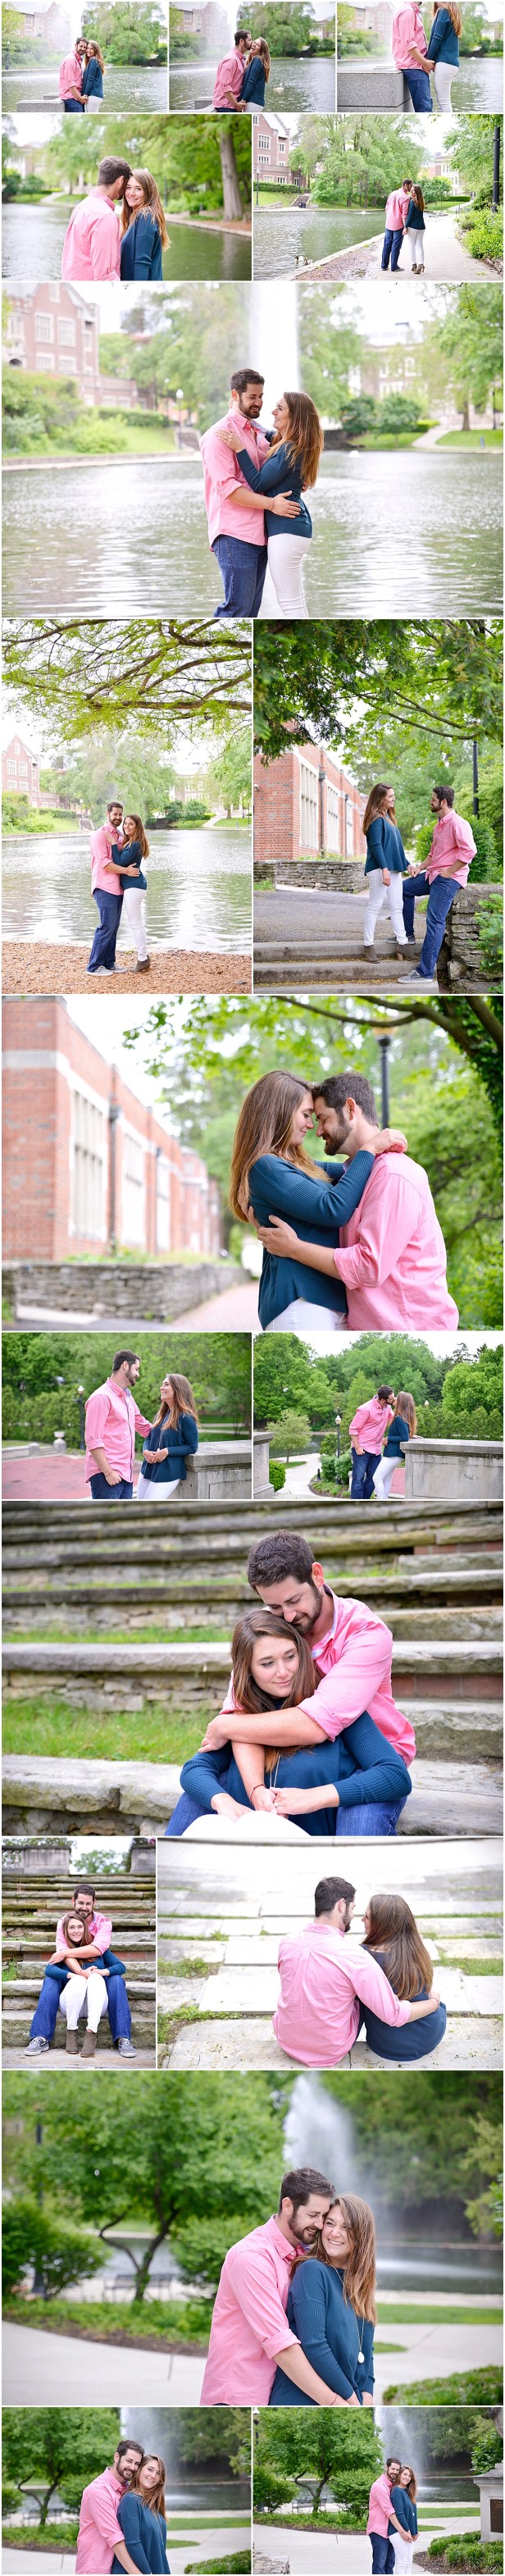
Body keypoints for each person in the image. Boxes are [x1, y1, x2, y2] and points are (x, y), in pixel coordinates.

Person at [166, 1601, 413, 1837]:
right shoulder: (243, 1719)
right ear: (248, 1670)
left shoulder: (332, 1708)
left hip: (315, 1848)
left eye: (290, 1656)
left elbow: (395, 1775)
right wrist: (224, 1802)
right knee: (199, 1795)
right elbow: (195, 1769)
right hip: (250, 1846)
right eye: (267, 1663)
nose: (283, 1672)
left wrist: (313, 1797)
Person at [254, 1069, 459, 1330]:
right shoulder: (356, 1174)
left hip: (407, 1327)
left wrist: (293, 1247)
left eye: (321, 1119)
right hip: (371, 1327)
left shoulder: (393, 1174)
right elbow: (309, 1179)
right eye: (308, 1117)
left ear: (350, 1109)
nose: (317, 1131)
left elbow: (367, 1265)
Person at [230, 1068, 407, 1334]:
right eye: (305, 1115)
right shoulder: (266, 1167)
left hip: (327, 1301)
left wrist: (373, 1152)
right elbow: (334, 1209)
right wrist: (370, 1147)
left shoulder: (295, 1164)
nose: (311, 1125)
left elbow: (349, 1174)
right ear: (279, 1112)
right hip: (299, 1301)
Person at [200, 2163, 362, 2404]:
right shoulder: (252, 2258)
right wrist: (336, 2402)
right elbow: (281, 2345)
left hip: (274, 2393)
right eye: (313, 2215)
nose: (320, 2225)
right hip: (238, 2394)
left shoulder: (301, 2253)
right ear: (288, 2206)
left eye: (323, 2216)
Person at [274, 1874, 442, 2068]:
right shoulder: (356, 1958)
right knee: (359, 1991)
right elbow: (394, 2015)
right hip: (330, 2050)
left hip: (286, 2039)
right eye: (353, 1908)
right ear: (341, 1905)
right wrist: (435, 2001)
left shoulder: (287, 1942)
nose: (355, 1917)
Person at [200, 367, 302, 622]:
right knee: (236, 610)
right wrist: (272, 505)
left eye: (261, 396)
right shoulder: (218, 436)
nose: (259, 403)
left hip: (261, 534)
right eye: (252, 397)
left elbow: (283, 454)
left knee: (250, 615)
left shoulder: (257, 431)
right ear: (235, 395)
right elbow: (228, 490)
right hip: (234, 534)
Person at [220, 390, 324, 618]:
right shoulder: (287, 442)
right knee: (295, 601)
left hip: (286, 532)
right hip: (293, 530)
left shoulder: (289, 449)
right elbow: (263, 432)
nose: (272, 411)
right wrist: (234, 410)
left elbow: (257, 483)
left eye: (280, 408)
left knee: (290, 602)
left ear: (294, 417)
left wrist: (239, 449)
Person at [269, 2193, 376, 2405]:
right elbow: (315, 2344)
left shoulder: (359, 2284)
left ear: (361, 2235)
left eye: (346, 2227)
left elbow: (366, 2350)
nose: (335, 2233)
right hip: (304, 2403)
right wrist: (351, 2398)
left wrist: (368, 2392)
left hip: (347, 2401)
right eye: (330, 2223)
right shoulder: (312, 2271)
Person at [26, 1881, 135, 2059]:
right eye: (80, 1903)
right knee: (51, 1980)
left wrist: (102, 1972)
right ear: (73, 1902)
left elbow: (98, 1951)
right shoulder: (63, 1922)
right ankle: (41, 2036)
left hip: (97, 1992)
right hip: (72, 1993)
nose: (84, 1908)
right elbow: (56, 1961)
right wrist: (77, 1973)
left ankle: (123, 2038)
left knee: (116, 1980)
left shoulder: (104, 1924)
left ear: (94, 1903)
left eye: (88, 1903)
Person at [399, 785, 476, 990]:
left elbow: (469, 852)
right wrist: (419, 868)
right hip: (433, 874)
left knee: (435, 921)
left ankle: (425, 972)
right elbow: (434, 854)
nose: (430, 802)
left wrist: (450, 872)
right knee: (403, 889)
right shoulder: (439, 825)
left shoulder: (458, 824)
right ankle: (408, 935)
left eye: (433, 799)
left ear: (443, 802)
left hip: (448, 878)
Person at [362, 1893, 447, 2060]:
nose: (362, 1920)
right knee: (436, 1998)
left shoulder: (363, 1956)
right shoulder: (416, 1949)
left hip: (387, 2043)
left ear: (381, 1925)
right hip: (429, 2034)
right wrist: (435, 2002)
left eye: (367, 1916)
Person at [85, 1351, 152, 1501]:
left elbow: (142, 1425)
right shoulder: (101, 1397)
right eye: (137, 1369)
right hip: (106, 1476)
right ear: (125, 1365)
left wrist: (172, 1433)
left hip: (126, 1475)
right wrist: (108, 1473)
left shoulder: (127, 1396)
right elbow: (93, 1441)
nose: (138, 1374)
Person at [48, 1911, 111, 2058]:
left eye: (79, 1927)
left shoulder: (96, 1948)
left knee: (95, 1978)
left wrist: (103, 1972)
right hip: (71, 2004)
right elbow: (49, 1969)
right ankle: (71, 2032)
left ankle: (91, 2033)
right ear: (66, 1931)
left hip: (95, 2006)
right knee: (78, 1980)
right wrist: (74, 1975)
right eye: (71, 1928)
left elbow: (121, 1967)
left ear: (85, 1928)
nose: (76, 1931)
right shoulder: (63, 1952)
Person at [77, 2440, 145, 2574]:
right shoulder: (98, 2491)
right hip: (97, 2569)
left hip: (117, 2568)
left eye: (137, 2464)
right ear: (117, 2457)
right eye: (129, 2461)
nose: (132, 2467)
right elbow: (115, 2538)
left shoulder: (127, 2491)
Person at [61, 156, 131, 282]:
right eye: (127, 184)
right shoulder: (105, 216)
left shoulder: (81, 207)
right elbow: (105, 278)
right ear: (120, 181)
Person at [136, 1370, 198, 1502]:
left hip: (168, 1472)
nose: (161, 1387)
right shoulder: (163, 1413)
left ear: (178, 1390)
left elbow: (192, 1447)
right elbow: (149, 1437)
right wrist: (145, 1451)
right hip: (148, 1469)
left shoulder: (186, 1417)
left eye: (166, 1385)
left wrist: (166, 1451)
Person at [362, 784, 409, 952]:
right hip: (379, 869)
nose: (393, 798)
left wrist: (408, 864)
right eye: (390, 796)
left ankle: (403, 945)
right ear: (381, 798)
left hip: (393, 870)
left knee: (398, 907)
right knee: (375, 906)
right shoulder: (376, 819)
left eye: (393, 795)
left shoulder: (390, 819)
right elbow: (376, 846)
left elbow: (395, 848)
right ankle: (368, 945)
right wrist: (384, 869)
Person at [104, 809, 151, 970]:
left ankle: (143, 959)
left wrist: (111, 842)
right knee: (137, 923)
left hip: (134, 887)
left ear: (137, 827)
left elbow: (119, 861)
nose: (126, 826)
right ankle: (143, 956)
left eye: (131, 824)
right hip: (134, 886)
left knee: (136, 924)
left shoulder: (136, 843)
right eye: (125, 823)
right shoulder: (130, 842)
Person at [111, 2455, 170, 2574]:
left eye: (158, 2473)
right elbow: (133, 2544)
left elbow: (159, 2547)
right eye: (150, 2469)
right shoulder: (130, 2500)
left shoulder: (153, 2503)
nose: (153, 2476)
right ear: (139, 2469)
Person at [88, 799, 125, 974]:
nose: (117, 817)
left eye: (120, 814)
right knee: (106, 926)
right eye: (115, 814)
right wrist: (126, 871)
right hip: (104, 887)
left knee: (114, 927)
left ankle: (109, 963)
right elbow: (104, 863)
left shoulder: (119, 836)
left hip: (118, 888)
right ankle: (94, 966)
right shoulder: (99, 835)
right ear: (108, 814)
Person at [349, 1384, 395, 1501]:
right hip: (362, 1449)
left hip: (376, 1450)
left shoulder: (388, 1408)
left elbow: (395, 1421)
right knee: (358, 1480)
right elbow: (353, 1429)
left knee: (374, 1478)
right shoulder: (365, 1409)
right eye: (391, 1398)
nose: (393, 1399)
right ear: (383, 1399)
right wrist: (358, 1448)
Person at [121, 171, 168, 280]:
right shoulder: (135, 217)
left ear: (148, 192)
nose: (131, 193)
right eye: (128, 187)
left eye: (138, 189)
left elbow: (142, 263)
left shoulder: (145, 216)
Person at [372, 1393, 416, 1500]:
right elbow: (404, 1435)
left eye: (397, 1398)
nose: (394, 1399)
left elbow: (404, 1437)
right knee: (387, 1479)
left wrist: (388, 1439)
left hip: (393, 1453)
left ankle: (381, 1501)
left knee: (377, 1478)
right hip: (394, 1453)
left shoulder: (399, 1418)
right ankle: (384, 1500)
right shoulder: (402, 1416)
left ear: (401, 1402)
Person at [391, 0, 433, 107]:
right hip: (414, 67)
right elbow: (408, 44)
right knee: (425, 108)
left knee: (426, 105)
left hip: (415, 66)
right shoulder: (408, 12)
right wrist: (425, 63)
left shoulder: (410, 11)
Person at [368, 2462, 406, 2574]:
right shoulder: (380, 2486)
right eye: (392, 2468)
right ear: (386, 2467)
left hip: (390, 2531)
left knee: (389, 2565)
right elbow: (389, 2511)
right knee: (379, 2566)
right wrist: (402, 2531)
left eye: (397, 2469)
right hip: (379, 2531)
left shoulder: (393, 2487)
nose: (395, 2472)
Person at [425, 0, 461, 103]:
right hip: (452, 64)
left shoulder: (443, 11)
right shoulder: (453, 15)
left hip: (444, 62)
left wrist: (428, 60)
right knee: (446, 101)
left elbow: (437, 38)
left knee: (444, 102)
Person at [212, 25, 251, 107]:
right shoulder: (231, 60)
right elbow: (225, 86)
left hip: (231, 105)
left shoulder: (240, 59)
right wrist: (236, 105)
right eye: (249, 40)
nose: (252, 42)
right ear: (242, 41)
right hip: (225, 106)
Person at [389, 2468, 418, 2572]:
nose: (407, 2477)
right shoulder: (396, 2490)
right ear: (400, 2475)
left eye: (410, 2476)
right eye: (405, 2474)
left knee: (408, 2563)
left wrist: (415, 2532)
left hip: (409, 2532)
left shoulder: (408, 2492)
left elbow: (413, 2515)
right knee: (402, 2562)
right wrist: (407, 2531)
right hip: (398, 2532)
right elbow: (399, 2513)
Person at [381, 177, 412, 271]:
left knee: (387, 244)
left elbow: (386, 209)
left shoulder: (392, 194)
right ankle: (394, 267)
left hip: (389, 223)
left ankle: (384, 266)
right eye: (411, 185)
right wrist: (405, 227)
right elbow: (404, 214)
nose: (411, 188)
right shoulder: (406, 198)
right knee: (396, 246)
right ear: (406, 185)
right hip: (398, 224)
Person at [239, 34, 271, 103]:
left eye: (258, 45)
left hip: (253, 101)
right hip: (253, 102)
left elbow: (251, 81)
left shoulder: (257, 59)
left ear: (261, 50)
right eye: (254, 42)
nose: (254, 45)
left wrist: (243, 99)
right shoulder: (252, 62)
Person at [59, 34, 87, 107]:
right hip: (71, 98)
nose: (83, 49)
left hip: (76, 97)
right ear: (76, 45)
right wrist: (80, 99)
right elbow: (71, 84)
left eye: (85, 47)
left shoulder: (79, 60)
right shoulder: (70, 60)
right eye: (81, 46)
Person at [404, 184, 426, 270]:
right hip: (422, 227)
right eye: (411, 190)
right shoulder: (422, 201)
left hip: (413, 227)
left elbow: (410, 216)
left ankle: (414, 265)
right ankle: (421, 264)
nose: (411, 191)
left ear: (417, 192)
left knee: (412, 246)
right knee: (420, 245)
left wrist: (405, 226)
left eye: (413, 190)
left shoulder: (413, 202)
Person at [81, 38, 105, 105]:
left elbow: (90, 79)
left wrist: (85, 94)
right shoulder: (93, 61)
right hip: (95, 96)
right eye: (87, 48)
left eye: (91, 49)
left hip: (93, 95)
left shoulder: (93, 60)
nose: (89, 50)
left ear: (96, 50)